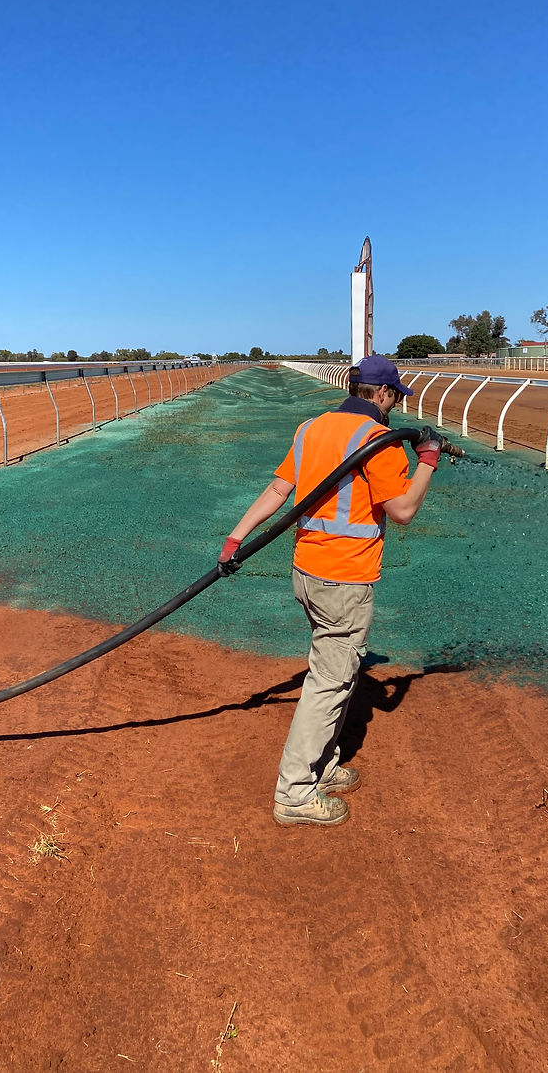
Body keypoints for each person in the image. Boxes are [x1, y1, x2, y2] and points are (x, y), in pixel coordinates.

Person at [217, 355, 443, 828]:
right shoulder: (377, 440)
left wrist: (236, 537)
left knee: (333, 670)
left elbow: (279, 490)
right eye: (394, 397)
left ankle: (323, 764)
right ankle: (296, 792)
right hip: (344, 578)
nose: (395, 406)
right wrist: (427, 461)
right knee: (330, 682)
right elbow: (401, 510)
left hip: (307, 571)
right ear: (380, 395)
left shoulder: (311, 428)